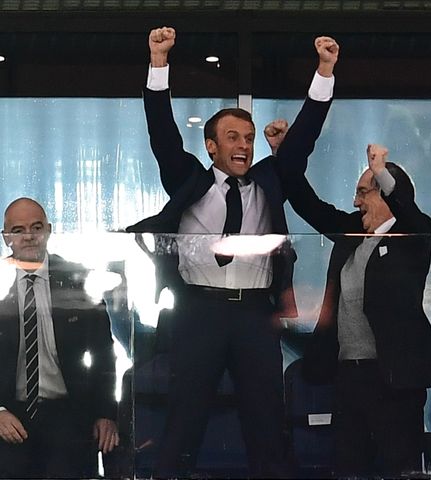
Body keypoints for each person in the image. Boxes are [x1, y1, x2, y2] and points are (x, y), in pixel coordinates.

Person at [125, 26, 338, 478]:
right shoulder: (190, 179)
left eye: (248, 138)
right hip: (198, 310)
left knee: (266, 420)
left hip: (254, 316)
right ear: (211, 145)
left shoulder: (268, 181)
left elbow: (301, 142)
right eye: (233, 138)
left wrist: (324, 73)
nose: (244, 146)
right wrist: (158, 63)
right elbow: (162, 135)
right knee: (185, 419)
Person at [277, 140, 431, 477]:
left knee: (401, 466)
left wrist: (381, 170)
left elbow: (407, 209)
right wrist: (286, 154)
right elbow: (308, 205)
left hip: (394, 378)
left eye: (363, 192)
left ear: (385, 194)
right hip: (349, 375)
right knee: (348, 465)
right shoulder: (353, 232)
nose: (355, 201)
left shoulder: (413, 234)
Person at [0, 198, 118, 478]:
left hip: (67, 408)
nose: (28, 236)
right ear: (7, 238)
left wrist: (106, 413)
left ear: (49, 230)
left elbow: (104, 351)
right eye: (18, 230)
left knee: (65, 466)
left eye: (36, 227)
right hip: (9, 409)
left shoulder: (77, 278)